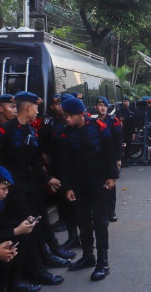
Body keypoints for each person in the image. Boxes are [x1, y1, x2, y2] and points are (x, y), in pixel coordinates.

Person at [0, 91, 76, 284]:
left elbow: (34, 162)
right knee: (28, 228)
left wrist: (47, 179)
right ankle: (36, 270)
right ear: (28, 108)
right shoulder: (5, 131)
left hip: (32, 185)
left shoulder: (29, 130)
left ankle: (47, 255)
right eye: (35, 108)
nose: (37, 112)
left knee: (41, 220)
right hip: (15, 189)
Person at [59, 97, 119, 281]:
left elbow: (110, 153)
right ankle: (88, 256)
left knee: (100, 221)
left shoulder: (99, 128)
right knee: (83, 221)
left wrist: (112, 176)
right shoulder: (66, 133)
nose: (66, 119)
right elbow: (66, 162)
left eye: (69, 115)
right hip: (79, 184)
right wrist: (68, 187)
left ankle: (103, 262)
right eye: (65, 115)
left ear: (80, 114)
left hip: (99, 182)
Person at [0, 166, 64, 286]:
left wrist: (22, 223)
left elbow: (1, 224)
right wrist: (16, 231)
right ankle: (11, 284)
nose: (7, 192)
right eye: (4, 189)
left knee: (25, 233)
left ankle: (23, 275)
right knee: (13, 241)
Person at [46, 94, 81, 250]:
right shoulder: (58, 124)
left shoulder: (79, 126)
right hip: (61, 170)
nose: (60, 108)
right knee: (66, 207)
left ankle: (85, 239)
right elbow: (54, 150)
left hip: (78, 174)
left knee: (81, 209)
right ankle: (73, 237)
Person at [95, 96, 122, 222]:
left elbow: (118, 141)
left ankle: (112, 211)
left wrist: (118, 159)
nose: (102, 108)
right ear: (96, 107)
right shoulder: (92, 122)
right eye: (100, 105)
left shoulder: (113, 121)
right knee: (100, 186)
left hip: (112, 158)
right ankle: (103, 211)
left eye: (104, 105)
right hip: (99, 159)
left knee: (111, 186)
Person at [117, 96, 135, 167]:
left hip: (129, 131)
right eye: (125, 101)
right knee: (122, 147)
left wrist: (133, 133)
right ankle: (121, 161)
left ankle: (125, 161)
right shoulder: (120, 110)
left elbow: (133, 122)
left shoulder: (130, 110)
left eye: (127, 101)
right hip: (123, 131)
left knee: (128, 147)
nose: (126, 102)